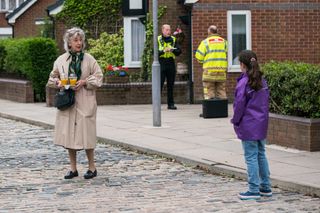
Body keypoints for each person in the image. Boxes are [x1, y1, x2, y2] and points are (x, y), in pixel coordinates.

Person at [47, 27, 103, 179]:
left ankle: (92, 167)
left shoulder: (89, 59)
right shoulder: (60, 60)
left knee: (87, 135)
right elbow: (51, 78)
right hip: (67, 102)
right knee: (69, 137)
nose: (79, 43)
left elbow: (99, 77)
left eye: (81, 40)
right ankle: (73, 169)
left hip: (85, 100)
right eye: (75, 40)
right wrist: (58, 82)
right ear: (68, 43)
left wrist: (84, 82)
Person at [231, 50, 272, 200]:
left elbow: (239, 105)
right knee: (261, 154)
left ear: (242, 64)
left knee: (251, 157)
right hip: (261, 123)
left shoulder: (244, 82)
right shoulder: (262, 80)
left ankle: (254, 189)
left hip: (248, 124)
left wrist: (235, 121)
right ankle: (265, 186)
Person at [195, 25, 228, 100]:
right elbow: (225, 53)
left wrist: (203, 61)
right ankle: (222, 110)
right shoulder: (224, 42)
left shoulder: (205, 42)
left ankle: (209, 110)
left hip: (209, 72)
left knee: (209, 92)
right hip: (221, 72)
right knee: (221, 91)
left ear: (209, 31)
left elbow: (199, 56)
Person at [158, 24, 181, 110]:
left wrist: (173, 50)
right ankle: (157, 104)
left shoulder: (174, 39)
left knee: (170, 85)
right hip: (161, 63)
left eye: (169, 30)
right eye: (167, 30)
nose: (168, 32)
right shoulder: (158, 39)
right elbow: (154, 52)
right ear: (162, 30)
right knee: (159, 84)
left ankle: (170, 104)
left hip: (171, 63)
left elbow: (179, 51)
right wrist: (164, 50)